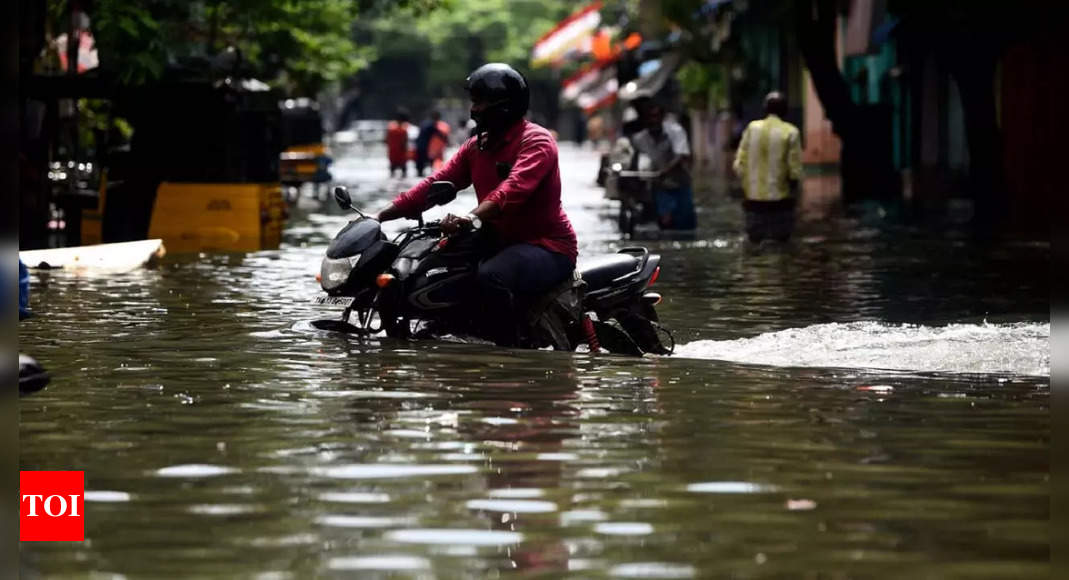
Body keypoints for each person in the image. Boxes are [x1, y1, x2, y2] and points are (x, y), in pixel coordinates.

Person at [375, 63, 578, 346]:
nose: (475, 109)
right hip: (496, 239)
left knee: (491, 276)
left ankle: (510, 350)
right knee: (431, 264)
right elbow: (435, 182)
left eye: (480, 101)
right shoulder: (476, 146)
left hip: (546, 246)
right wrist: (379, 216)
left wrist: (469, 219)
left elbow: (511, 189)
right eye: (474, 101)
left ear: (503, 105)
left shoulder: (536, 141)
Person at [733, 91, 803, 243]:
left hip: (753, 202)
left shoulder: (752, 128)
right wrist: (794, 195)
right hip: (780, 202)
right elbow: (794, 171)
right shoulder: (791, 132)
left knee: (754, 246)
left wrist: (748, 188)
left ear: (764, 109)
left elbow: (739, 165)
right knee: (781, 246)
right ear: (785, 110)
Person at [630, 103, 697, 230]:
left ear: (662, 117)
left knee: (686, 225)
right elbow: (635, 161)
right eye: (649, 117)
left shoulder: (675, 131)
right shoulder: (639, 139)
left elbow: (681, 155)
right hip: (659, 188)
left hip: (680, 185)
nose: (652, 120)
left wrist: (665, 171)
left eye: (655, 116)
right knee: (664, 223)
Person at [385, 108, 411, 178]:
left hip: (392, 153)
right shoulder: (403, 129)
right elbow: (404, 143)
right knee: (404, 174)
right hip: (401, 154)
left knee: (392, 174)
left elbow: (386, 140)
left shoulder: (390, 127)